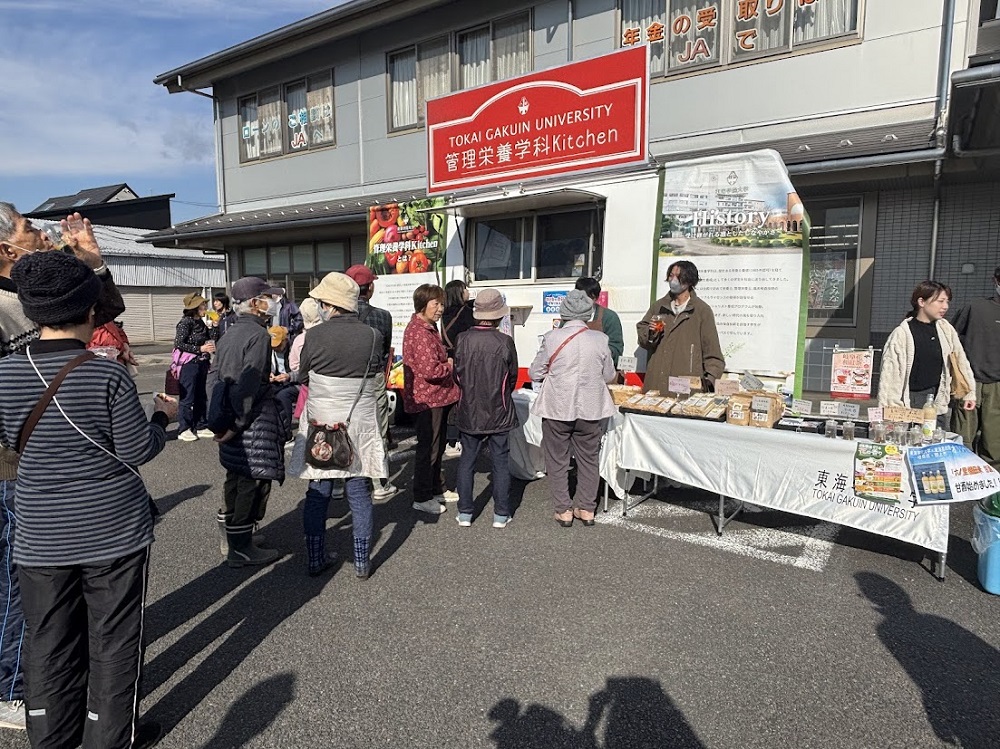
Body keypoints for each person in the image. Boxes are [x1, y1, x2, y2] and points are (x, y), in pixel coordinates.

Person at [0, 250, 172, 749]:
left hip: (38, 531)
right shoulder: (105, 374)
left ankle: (51, 739)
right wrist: (162, 417)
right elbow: (138, 450)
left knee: (48, 642)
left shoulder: (5, 372)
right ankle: (111, 738)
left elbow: (12, 443)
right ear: (91, 309)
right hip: (112, 530)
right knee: (114, 644)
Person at [0, 204, 125, 733]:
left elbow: (104, 310)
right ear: (7, 248)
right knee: (17, 580)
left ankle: (51, 686)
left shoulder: (38, 289)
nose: (46, 233)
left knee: (45, 589)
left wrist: (93, 262)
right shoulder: (10, 303)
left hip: (48, 461)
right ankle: (13, 689)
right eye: (32, 229)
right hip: (15, 466)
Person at [291, 273, 385, 578]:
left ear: (330, 304)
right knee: (359, 490)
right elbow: (374, 372)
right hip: (358, 421)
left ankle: (315, 559)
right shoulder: (373, 335)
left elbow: (302, 374)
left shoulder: (315, 336)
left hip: (322, 421)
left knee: (318, 490)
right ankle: (362, 562)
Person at [207, 276, 287, 568]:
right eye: (269, 297)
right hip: (248, 420)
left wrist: (220, 420)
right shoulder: (259, 336)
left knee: (235, 476)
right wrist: (237, 424)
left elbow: (214, 377)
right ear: (255, 303)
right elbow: (249, 385)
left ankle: (235, 537)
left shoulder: (228, 333)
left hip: (226, 414)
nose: (273, 302)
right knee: (251, 481)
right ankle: (240, 548)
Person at [529, 290, 616, 527]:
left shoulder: (552, 338)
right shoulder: (600, 339)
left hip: (557, 406)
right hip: (590, 408)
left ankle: (563, 510)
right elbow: (609, 375)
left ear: (564, 313)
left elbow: (535, 372)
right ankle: (586, 508)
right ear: (588, 313)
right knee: (589, 458)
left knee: (557, 459)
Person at [452, 289, 518, 528]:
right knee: (500, 462)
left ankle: (465, 512)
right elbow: (511, 378)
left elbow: (456, 376)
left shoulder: (462, 340)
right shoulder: (505, 341)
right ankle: (501, 514)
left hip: (469, 408)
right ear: (499, 315)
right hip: (499, 409)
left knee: (467, 460)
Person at [878, 281, 976, 427]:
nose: (945, 307)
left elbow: (961, 360)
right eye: (940, 301)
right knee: (911, 444)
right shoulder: (902, 334)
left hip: (937, 398)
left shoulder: (945, 329)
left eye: (947, 302)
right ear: (921, 302)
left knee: (935, 443)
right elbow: (890, 376)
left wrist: (969, 393)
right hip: (910, 400)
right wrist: (888, 411)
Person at [403, 284, 460, 515]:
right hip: (428, 399)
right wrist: (449, 365)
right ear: (423, 304)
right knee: (430, 448)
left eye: (442, 304)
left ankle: (437, 487)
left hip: (436, 397)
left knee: (436, 445)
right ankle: (422, 494)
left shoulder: (427, 327)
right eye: (436, 304)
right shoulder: (419, 332)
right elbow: (430, 370)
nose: (440, 309)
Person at [345, 264, 398, 500]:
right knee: (377, 428)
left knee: (345, 427)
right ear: (371, 288)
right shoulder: (382, 316)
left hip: (344, 378)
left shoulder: (338, 315)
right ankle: (380, 483)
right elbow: (386, 350)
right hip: (373, 376)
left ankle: (339, 482)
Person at [636, 260, 724, 394]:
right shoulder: (659, 306)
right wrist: (651, 333)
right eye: (671, 276)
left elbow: (713, 353)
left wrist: (708, 382)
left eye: (678, 277)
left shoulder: (701, 311)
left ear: (689, 281)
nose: (673, 280)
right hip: (656, 385)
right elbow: (643, 338)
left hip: (685, 388)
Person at [949, 267, 1000, 468]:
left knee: (995, 443)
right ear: (995, 280)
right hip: (969, 382)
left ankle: (992, 489)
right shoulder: (975, 307)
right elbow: (951, 339)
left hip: (998, 386)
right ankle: (961, 480)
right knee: (962, 438)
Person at [173, 292, 218, 442]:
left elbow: (211, 338)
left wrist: (213, 327)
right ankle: (184, 428)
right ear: (195, 307)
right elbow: (179, 343)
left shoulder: (200, 322)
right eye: (203, 304)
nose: (206, 306)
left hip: (202, 362)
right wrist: (200, 349)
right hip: (189, 363)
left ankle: (200, 425)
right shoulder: (185, 322)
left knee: (201, 395)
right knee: (188, 396)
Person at [440, 279, 477, 459]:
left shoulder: (442, 314)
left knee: (451, 399)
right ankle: (460, 438)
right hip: (465, 361)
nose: (468, 292)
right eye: (465, 289)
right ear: (459, 293)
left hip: (448, 360)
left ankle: (450, 439)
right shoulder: (467, 314)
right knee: (465, 399)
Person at [574, 277, 625, 364]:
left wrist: (595, 352)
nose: (584, 301)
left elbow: (616, 349)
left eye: (589, 297)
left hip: (599, 369)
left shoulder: (609, 317)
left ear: (596, 297)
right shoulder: (569, 316)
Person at [268, 325, 301, 429]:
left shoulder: (294, 349)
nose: (275, 348)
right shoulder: (271, 351)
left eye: (278, 345)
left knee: (283, 395)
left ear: (285, 341)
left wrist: (289, 376)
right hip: (279, 381)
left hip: (296, 382)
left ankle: (286, 430)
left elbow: (304, 372)